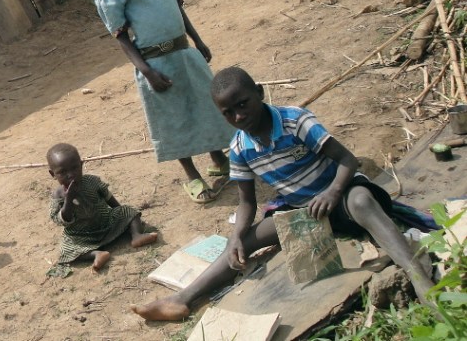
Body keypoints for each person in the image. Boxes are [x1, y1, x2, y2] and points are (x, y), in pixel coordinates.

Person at [131, 66, 435, 320]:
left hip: (340, 199)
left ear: (260, 93)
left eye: (242, 104)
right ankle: (182, 299)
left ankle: (415, 273)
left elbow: (347, 160)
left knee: (362, 200)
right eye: (228, 113)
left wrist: (332, 192)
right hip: (304, 215)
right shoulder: (240, 147)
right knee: (242, 242)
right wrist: (236, 237)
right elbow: (247, 202)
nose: (238, 117)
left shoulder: (295, 121)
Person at [93, 0, 235, 204]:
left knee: (204, 105)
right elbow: (122, 38)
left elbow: (178, 9)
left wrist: (197, 40)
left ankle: (219, 160)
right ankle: (192, 175)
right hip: (155, 64)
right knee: (174, 118)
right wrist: (147, 71)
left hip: (184, 53)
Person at [48, 143, 159, 271]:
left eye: (74, 168)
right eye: (62, 172)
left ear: (81, 164)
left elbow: (108, 197)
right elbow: (61, 220)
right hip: (82, 236)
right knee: (65, 249)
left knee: (128, 210)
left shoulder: (92, 182)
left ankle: (137, 235)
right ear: (53, 174)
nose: (70, 175)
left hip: (106, 223)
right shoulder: (57, 196)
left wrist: (124, 217)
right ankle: (96, 254)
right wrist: (68, 200)